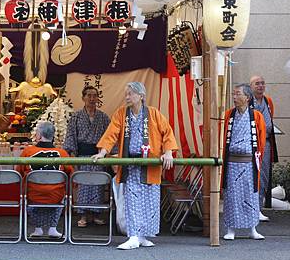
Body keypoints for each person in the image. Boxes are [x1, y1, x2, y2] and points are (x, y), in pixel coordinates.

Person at [93, 82, 177, 250]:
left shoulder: (154, 114)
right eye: (126, 94)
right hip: (130, 165)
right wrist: (103, 152)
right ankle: (133, 236)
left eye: (130, 94)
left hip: (150, 165)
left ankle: (143, 236)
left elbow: (167, 133)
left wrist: (168, 153)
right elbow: (112, 134)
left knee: (150, 201)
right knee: (132, 201)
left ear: (141, 96)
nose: (127, 97)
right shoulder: (121, 114)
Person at [221, 84, 266, 241]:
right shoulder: (228, 115)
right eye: (233, 94)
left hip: (248, 162)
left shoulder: (256, 116)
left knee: (250, 194)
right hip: (232, 162)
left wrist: (257, 159)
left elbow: (261, 140)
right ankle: (230, 228)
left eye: (238, 94)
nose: (234, 97)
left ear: (247, 97)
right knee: (231, 195)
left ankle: (252, 228)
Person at [63, 86, 110, 228]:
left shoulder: (103, 117)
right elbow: (71, 135)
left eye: (94, 96)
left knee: (97, 184)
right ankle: (83, 215)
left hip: (98, 154)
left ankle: (96, 214)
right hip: (82, 154)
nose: (92, 99)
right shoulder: (76, 117)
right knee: (84, 184)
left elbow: (109, 136)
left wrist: (108, 152)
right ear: (83, 97)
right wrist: (71, 153)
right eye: (89, 95)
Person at [17, 121, 74, 238]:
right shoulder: (62, 153)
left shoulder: (28, 152)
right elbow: (71, 174)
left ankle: (38, 228)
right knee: (62, 194)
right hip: (56, 195)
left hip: (33, 194)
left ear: (38, 135)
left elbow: (18, 171)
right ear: (53, 136)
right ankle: (53, 228)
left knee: (29, 193)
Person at [249, 75, 278, 222]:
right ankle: (251, 208)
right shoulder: (247, 101)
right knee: (252, 175)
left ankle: (258, 207)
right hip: (252, 143)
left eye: (262, 83)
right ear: (251, 86)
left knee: (264, 176)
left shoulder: (268, 101)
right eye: (257, 84)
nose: (260, 86)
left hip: (266, 143)